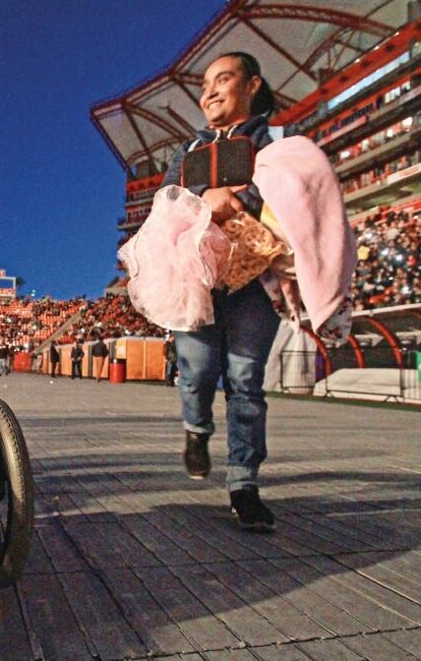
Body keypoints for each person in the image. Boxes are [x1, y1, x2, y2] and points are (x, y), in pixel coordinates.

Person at [160, 52, 281, 531]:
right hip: (198, 281)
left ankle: (244, 485)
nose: (209, 91)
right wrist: (203, 199)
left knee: (246, 381)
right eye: (205, 84)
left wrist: (241, 201)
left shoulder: (278, 146)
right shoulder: (188, 151)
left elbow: (297, 199)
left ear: (252, 85)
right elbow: (164, 206)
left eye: (222, 80)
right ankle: (196, 428)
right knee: (197, 372)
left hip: (254, 284)